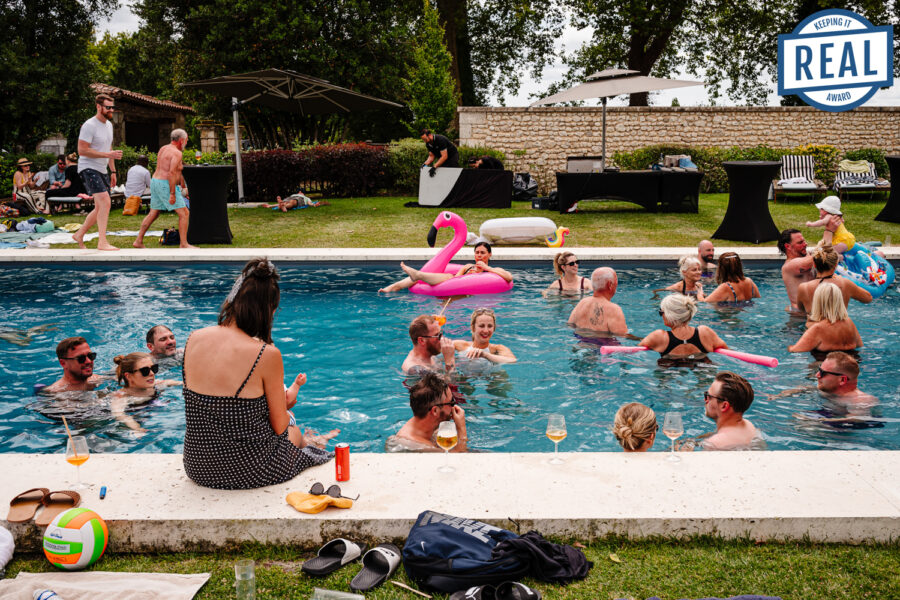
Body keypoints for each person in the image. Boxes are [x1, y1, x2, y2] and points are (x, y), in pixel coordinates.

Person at [182, 258, 338, 489]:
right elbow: (279, 426)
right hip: (248, 470)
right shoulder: (265, 354)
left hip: (199, 466)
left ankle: (314, 439)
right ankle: (315, 440)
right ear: (269, 309)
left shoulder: (193, 338)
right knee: (294, 432)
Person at [72, 94, 123, 251]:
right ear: (99, 107)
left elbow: (109, 149)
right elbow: (82, 150)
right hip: (88, 167)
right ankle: (102, 242)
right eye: (108, 107)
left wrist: (113, 171)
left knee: (100, 207)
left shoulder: (108, 125)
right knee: (106, 202)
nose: (111, 110)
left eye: (112, 107)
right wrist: (108, 155)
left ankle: (79, 234)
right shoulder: (89, 125)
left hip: (102, 169)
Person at [133, 129, 195, 249]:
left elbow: (175, 170)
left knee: (154, 213)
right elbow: (171, 173)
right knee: (184, 213)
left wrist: (182, 187)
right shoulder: (177, 153)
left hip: (155, 182)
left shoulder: (164, 148)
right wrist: (172, 193)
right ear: (181, 141)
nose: (186, 143)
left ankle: (138, 240)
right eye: (186, 140)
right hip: (165, 184)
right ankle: (184, 244)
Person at [380, 242, 512, 293]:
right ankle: (392, 287)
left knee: (443, 276)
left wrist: (486, 268)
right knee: (447, 276)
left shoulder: (495, 271)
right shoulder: (467, 267)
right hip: (450, 286)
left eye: (482, 253)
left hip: (466, 296)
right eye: (477, 252)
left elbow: (508, 277)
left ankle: (418, 275)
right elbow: (456, 281)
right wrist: (470, 272)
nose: (479, 256)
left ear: (489, 254)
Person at [385, 372, 468, 452]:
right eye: (451, 402)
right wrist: (461, 428)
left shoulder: (427, 426)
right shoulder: (416, 445)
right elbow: (460, 458)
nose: (454, 407)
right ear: (435, 411)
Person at [639, 294, 727, 361]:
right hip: (702, 364)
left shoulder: (659, 336)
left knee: (663, 378)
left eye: (661, 312)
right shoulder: (705, 332)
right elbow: (726, 351)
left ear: (670, 315)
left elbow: (637, 351)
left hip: (669, 367)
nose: (661, 315)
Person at [109, 352, 180, 433]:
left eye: (153, 368)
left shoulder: (157, 385)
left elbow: (178, 384)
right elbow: (120, 415)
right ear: (128, 376)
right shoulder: (121, 396)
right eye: (145, 371)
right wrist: (137, 428)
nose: (152, 373)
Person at [796, 245, 872, 319]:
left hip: (813, 329)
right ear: (836, 265)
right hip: (839, 330)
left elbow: (801, 310)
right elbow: (868, 298)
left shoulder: (803, 287)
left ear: (814, 265)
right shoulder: (845, 284)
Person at [788, 282, 862, 354]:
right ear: (839, 300)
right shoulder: (849, 323)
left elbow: (795, 350)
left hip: (826, 364)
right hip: (854, 362)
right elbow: (859, 345)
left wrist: (789, 347)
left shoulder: (818, 328)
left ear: (818, 301)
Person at [697, 371, 764, 450]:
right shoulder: (749, 426)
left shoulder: (714, 444)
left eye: (708, 396)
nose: (705, 400)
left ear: (724, 405)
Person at [814, 351, 878, 419]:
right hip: (829, 415)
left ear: (842, 380)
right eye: (819, 369)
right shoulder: (828, 388)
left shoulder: (861, 401)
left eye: (823, 373)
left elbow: (853, 422)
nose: (817, 375)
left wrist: (812, 421)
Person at [567, 267, 628, 336]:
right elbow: (622, 336)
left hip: (580, 343)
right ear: (610, 284)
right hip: (601, 345)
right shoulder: (614, 309)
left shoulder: (582, 303)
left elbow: (570, 325)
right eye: (616, 282)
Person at [452, 308, 517, 364]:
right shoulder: (460, 345)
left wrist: (485, 355)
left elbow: (512, 360)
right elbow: (442, 346)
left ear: (494, 328)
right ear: (473, 328)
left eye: (490, 326)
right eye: (481, 326)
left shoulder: (498, 349)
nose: (486, 331)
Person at [779, 228, 816, 314]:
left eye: (804, 241)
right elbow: (819, 256)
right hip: (799, 316)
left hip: (813, 313)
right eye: (800, 243)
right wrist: (828, 231)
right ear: (787, 246)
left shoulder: (807, 257)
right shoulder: (789, 266)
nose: (805, 244)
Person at [261, 189, 329, 212]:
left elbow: (309, 203)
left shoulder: (306, 197)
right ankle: (283, 207)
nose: (299, 192)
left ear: (303, 193)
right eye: (299, 191)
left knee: (292, 202)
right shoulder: (293, 194)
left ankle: (283, 207)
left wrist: (314, 204)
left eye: (301, 192)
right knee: (284, 202)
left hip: (299, 200)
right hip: (290, 198)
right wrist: (270, 206)